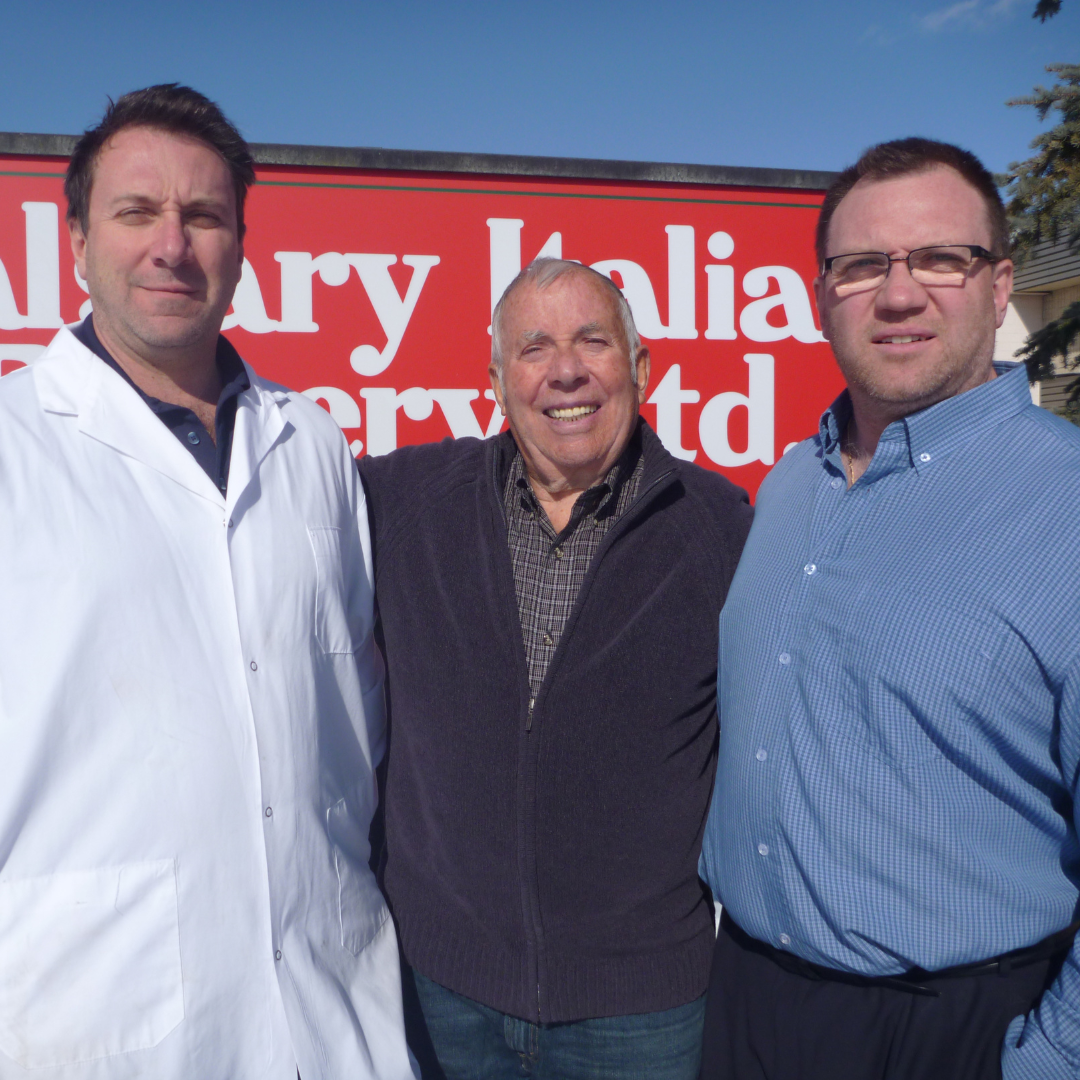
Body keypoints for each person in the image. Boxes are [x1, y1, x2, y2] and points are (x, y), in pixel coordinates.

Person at [0, 85, 415, 1080]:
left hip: (329, 1006)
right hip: (93, 1021)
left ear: (240, 244)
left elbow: (353, 709)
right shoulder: (16, 448)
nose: (172, 245)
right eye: (137, 212)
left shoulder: (311, 442)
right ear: (75, 242)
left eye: (205, 216)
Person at [698, 137, 1080, 1080]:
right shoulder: (789, 484)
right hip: (749, 1004)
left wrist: (1052, 1058)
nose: (899, 294)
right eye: (864, 265)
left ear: (998, 287)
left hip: (960, 1030)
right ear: (823, 292)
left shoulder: (1064, 505)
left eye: (941, 259)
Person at [359, 258, 752, 1080]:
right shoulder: (406, 503)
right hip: (444, 994)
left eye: (592, 340)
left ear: (641, 368)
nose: (565, 369)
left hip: (640, 1013)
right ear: (497, 383)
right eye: (534, 347)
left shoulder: (719, 527)